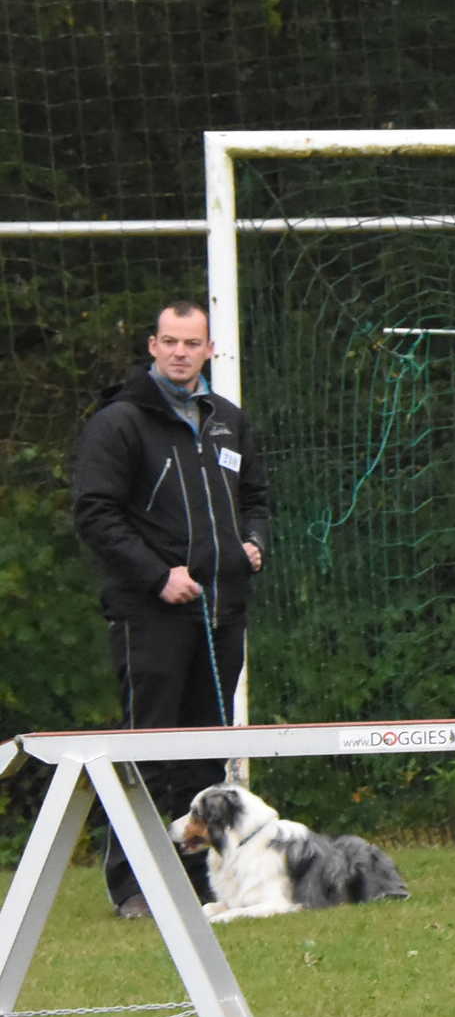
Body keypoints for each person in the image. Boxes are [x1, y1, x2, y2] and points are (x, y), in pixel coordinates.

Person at [70, 299, 271, 917]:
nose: (181, 353)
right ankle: (133, 886)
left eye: (192, 343)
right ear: (153, 347)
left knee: (206, 756)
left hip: (222, 615)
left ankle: (198, 882)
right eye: (170, 342)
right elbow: (95, 513)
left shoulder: (228, 421)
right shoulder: (120, 422)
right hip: (149, 615)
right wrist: (158, 577)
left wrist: (254, 543)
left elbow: (258, 500)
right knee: (148, 752)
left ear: (209, 350)